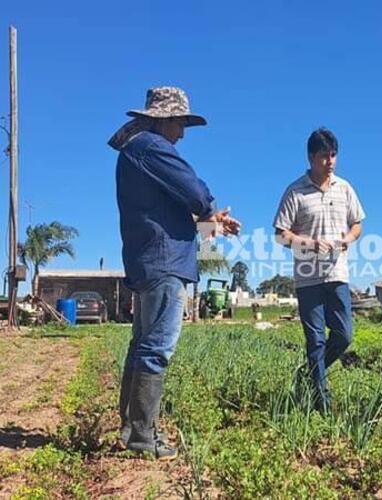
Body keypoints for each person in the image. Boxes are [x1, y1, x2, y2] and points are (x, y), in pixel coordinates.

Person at [109, 86, 241, 459]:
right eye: (180, 123)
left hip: (150, 258)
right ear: (164, 118)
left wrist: (211, 219)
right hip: (164, 262)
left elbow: (172, 208)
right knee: (156, 348)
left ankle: (131, 428)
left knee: (142, 346)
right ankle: (142, 436)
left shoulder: (137, 152)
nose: (182, 132)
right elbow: (195, 192)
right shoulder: (152, 147)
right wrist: (210, 207)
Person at [273, 128, 365, 412]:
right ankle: (322, 406)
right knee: (315, 339)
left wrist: (347, 240)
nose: (330, 161)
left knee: (344, 335)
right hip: (308, 279)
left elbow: (357, 224)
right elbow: (280, 234)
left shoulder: (345, 188)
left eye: (334, 155)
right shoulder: (295, 191)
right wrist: (310, 244)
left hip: (337, 274)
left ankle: (310, 373)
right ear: (311, 157)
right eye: (324, 156)